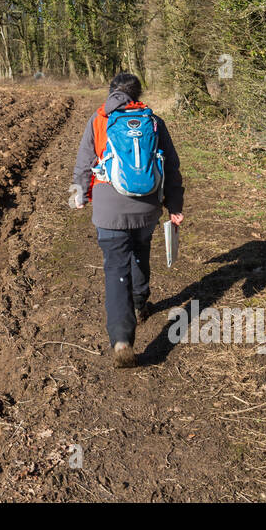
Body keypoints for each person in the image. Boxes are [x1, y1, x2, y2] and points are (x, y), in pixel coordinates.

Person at [72, 72, 184, 368]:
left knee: (115, 270)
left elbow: (84, 163)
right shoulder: (154, 122)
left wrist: (80, 195)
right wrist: (174, 204)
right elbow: (171, 166)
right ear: (138, 94)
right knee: (141, 251)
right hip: (147, 207)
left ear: (111, 93)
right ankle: (139, 301)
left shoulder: (99, 120)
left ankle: (122, 340)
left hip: (108, 209)